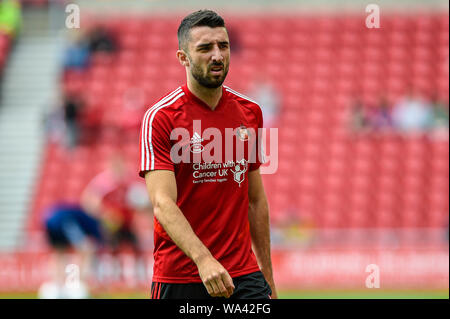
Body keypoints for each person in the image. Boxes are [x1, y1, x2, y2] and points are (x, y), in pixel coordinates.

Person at [139, 10, 277, 299]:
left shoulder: (250, 113)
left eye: (223, 46)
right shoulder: (161, 117)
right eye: (205, 48)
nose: (217, 55)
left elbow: (255, 200)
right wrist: (203, 259)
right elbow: (163, 204)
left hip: (243, 276)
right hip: (180, 277)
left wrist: (267, 276)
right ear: (183, 58)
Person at [38, 202, 104, 299]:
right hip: (65, 221)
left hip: (49, 221)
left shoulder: (79, 212)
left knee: (59, 253)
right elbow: (96, 242)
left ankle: (58, 286)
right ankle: (77, 285)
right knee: (85, 250)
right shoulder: (91, 219)